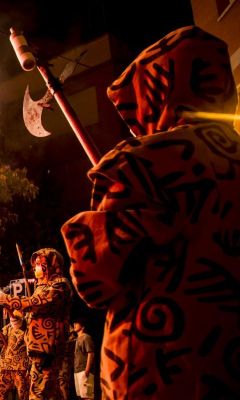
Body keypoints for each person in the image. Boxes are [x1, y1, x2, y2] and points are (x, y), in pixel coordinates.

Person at [61, 25, 240, 399]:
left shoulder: (140, 161)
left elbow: (95, 277)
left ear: (157, 89)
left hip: (160, 367)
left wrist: (83, 231)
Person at [0, 248, 72, 400]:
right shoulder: (41, 288)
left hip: (48, 350)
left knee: (38, 394)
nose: (34, 268)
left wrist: (7, 299)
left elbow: (37, 303)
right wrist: (21, 324)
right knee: (51, 394)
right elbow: (35, 321)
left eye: (38, 264)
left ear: (48, 265)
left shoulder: (60, 285)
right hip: (37, 351)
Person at [0, 311, 30, 400]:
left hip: (21, 366)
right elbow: (0, 343)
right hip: (5, 365)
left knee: (23, 394)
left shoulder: (27, 327)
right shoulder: (7, 327)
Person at [72, 320, 94, 400]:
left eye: (76, 323)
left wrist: (87, 369)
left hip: (84, 370)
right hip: (77, 370)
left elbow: (90, 353)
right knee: (81, 396)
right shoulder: (77, 339)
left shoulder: (86, 337)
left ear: (83, 327)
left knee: (87, 396)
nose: (74, 324)